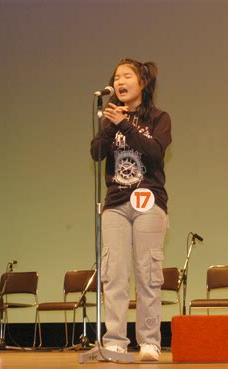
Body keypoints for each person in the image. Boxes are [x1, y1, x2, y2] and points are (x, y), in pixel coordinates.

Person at [90, 58, 171, 361]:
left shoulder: (159, 118)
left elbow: (154, 153)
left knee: (148, 273)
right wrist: (111, 127)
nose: (120, 81)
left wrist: (124, 124)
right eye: (116, 77)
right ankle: (115, 342)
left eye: (127, 76)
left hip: (148, 200)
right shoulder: (109, 120)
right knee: (114, 274)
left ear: (142, 83)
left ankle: (149, 341)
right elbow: (97, 153)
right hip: (115, 203)